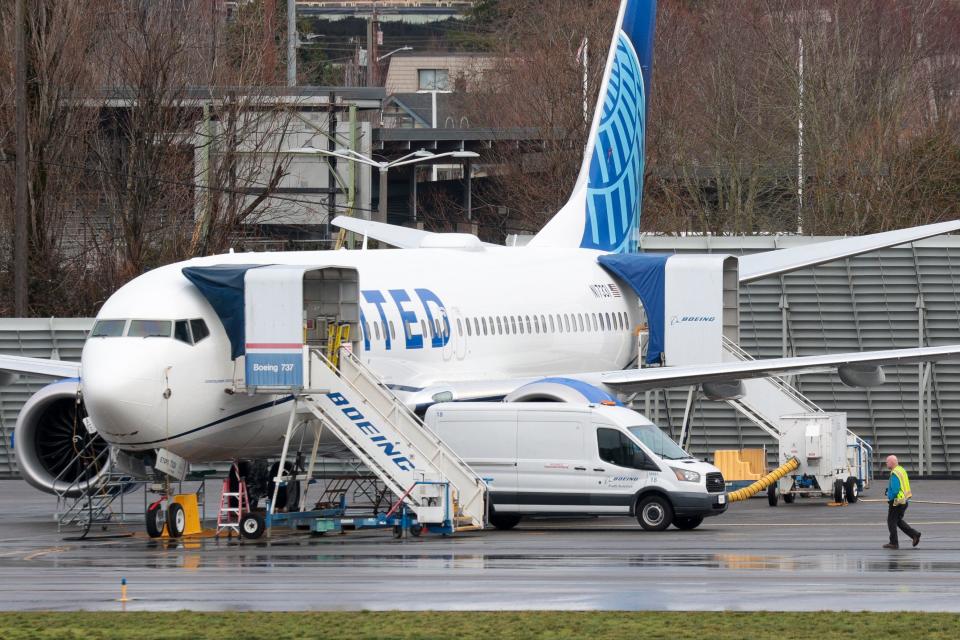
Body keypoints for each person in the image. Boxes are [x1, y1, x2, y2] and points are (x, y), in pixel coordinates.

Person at [883, 454, 920, 549]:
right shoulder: (901, 470)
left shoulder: (894, 473)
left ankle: (894, 543)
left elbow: (895, 490)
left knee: (891, 521)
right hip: (904, 500)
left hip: (897, 501)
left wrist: (889, 496)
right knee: (898, 521)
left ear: (891, 462)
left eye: (887, 462)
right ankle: (914, 534)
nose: (886, 463)